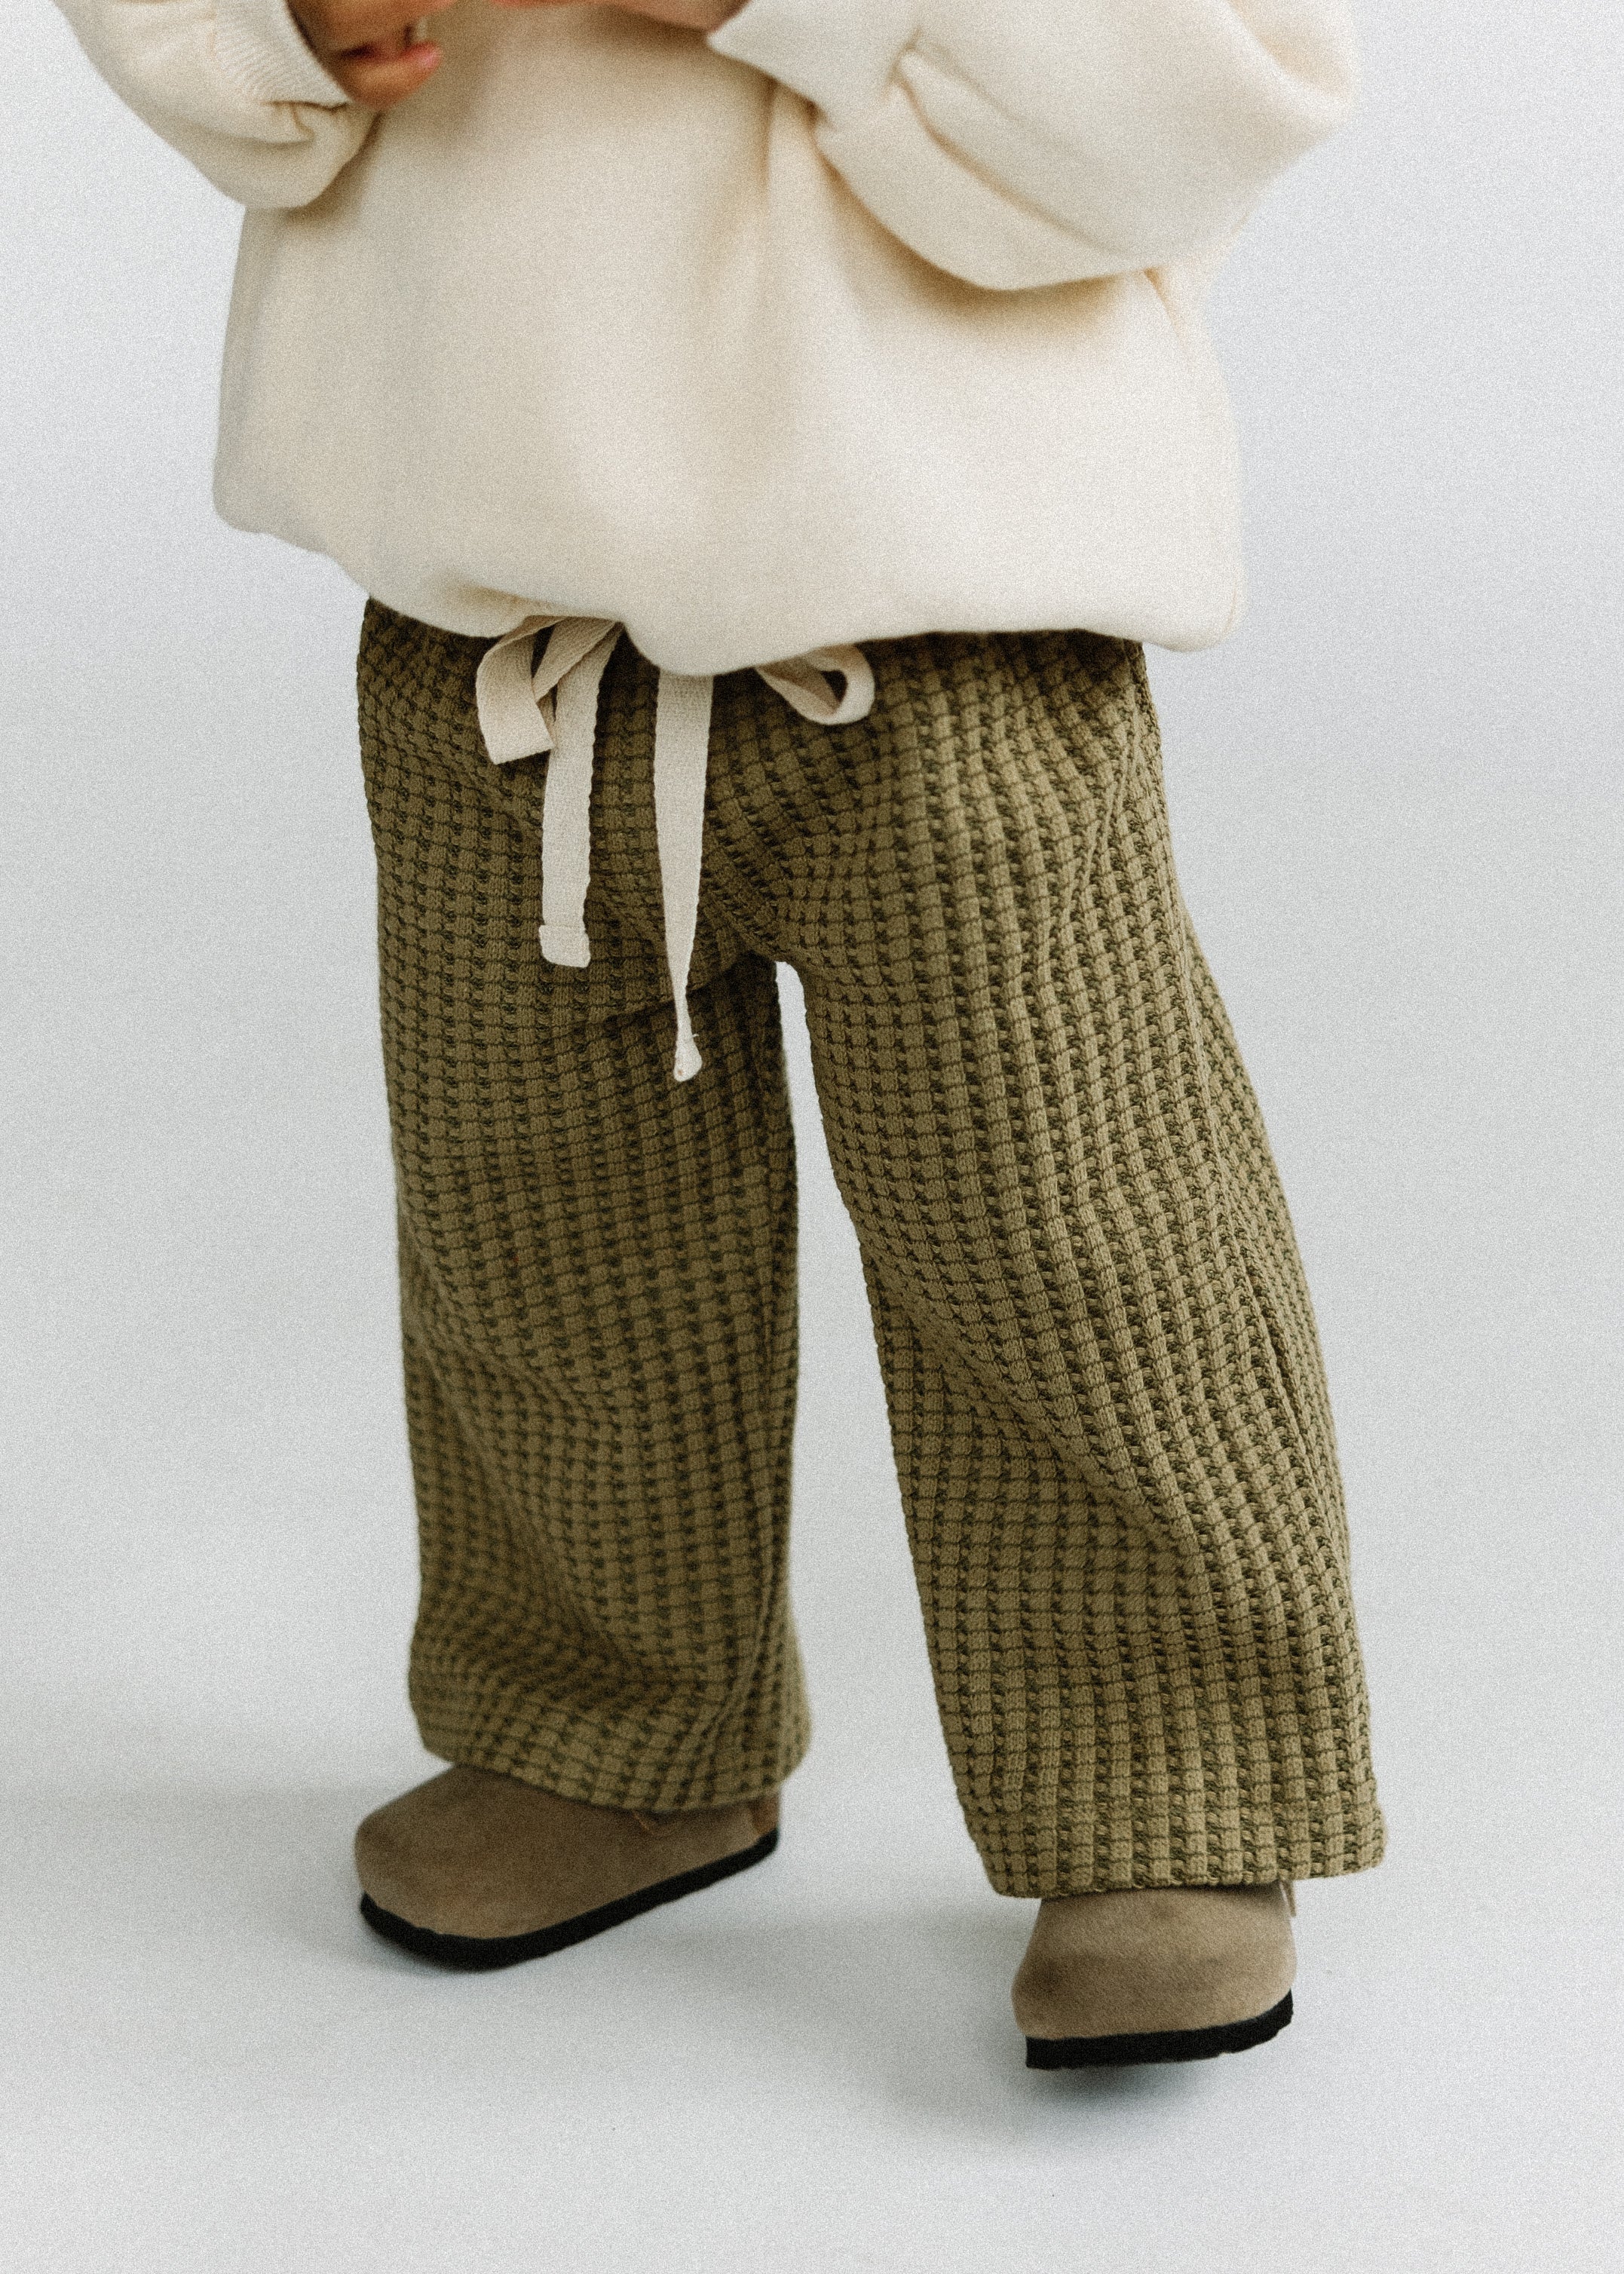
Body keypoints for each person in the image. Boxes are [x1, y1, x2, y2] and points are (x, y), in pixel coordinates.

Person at [51, 0, 1384, 2067]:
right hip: (497, 606)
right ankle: (609, 1723)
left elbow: (1210, 85)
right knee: (539, 1231)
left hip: (945, 605)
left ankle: (1168, 1792)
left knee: (1064, 1231)